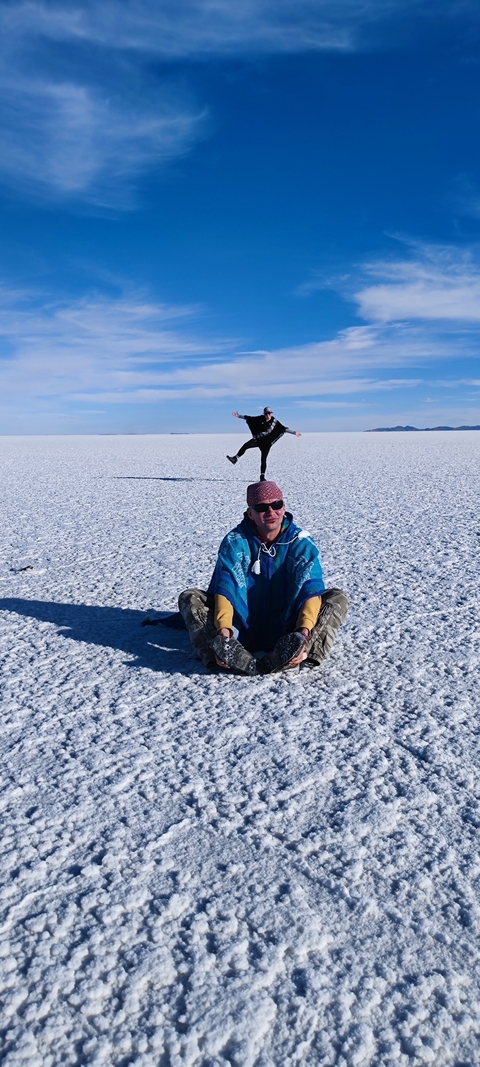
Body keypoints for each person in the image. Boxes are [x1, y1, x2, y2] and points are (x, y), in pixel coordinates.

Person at [178, 480, 348, 675]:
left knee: (337, 598)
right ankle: (223, 653)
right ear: (250, 513)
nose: (271, 512)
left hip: (288, 626)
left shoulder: (301, 542)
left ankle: (301, 651)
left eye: (276, 505)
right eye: (261, 507)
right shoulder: (235, 541)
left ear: (283, 508)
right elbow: (225, 588)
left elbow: (310, 589)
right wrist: (224, 631)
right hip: (240, 623)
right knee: (190, 598)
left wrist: (303, 631)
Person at [227, 407, 301, 480]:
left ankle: (262, 477)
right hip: (258, 440)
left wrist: (294, 432)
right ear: (264, 414)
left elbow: (284, 429)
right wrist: (239, 416)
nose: (267, 415)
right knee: (246, 445)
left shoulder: (274, 422)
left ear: (271, 414)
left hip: (266, 444)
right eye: (266, 414)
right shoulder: (260, 419)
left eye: (269, 413)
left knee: (263, 460)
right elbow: (249, 418)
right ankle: (235, 458)